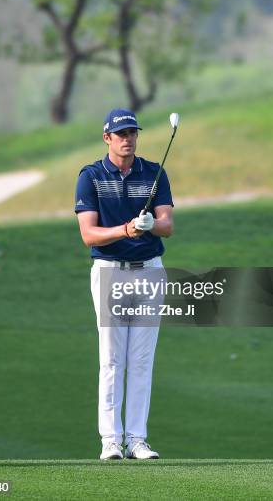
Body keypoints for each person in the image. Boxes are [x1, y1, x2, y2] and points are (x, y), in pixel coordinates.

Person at [75, 108, 174, 460]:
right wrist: (126, 229)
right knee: (113, 360)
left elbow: (167, 225)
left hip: (149, 270)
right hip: (110, 271)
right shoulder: (90, 176)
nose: (128, 139)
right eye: (121, 134)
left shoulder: (154, 173)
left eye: (132, 133)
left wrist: (149, 225)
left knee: (142, 359)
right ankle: (111, 441)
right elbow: (89, 234)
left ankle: (136, 439)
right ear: (107, 138)